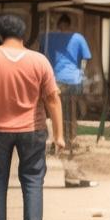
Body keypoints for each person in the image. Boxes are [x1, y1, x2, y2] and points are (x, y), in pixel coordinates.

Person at [0, 14, 65, 220]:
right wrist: (59, 135)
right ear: (23, 33)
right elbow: (53, 99)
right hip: (32, 128)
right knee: (32, 179)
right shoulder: (39, 61)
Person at [40, 13, 94, 188]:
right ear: (70, 24)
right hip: (73, 80)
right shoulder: (78, 37)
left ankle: (57, 138)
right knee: (71, 117)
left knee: (53, 115)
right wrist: (82, 75)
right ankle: (69, 140)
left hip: (55, 80)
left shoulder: (48, 37)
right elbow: (85, 60)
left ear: (58, 23)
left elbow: (43, 56)